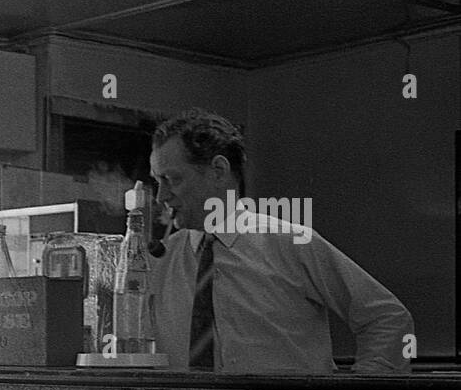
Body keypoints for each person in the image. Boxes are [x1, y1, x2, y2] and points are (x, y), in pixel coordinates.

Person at [147, 109, 413, 373]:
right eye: (156, 181)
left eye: (171, 179)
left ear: (218, 170)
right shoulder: (158, 261)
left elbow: (387, 318)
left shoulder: (292, 243)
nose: (161, 196)